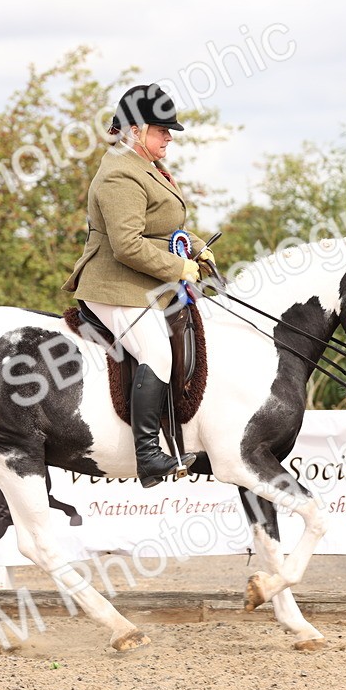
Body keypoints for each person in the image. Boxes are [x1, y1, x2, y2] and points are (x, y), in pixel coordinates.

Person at [62, 83, 214, 488]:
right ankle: (147, 454)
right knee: (157, 352)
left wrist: (197, 249)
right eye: (161, 129)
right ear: (134, 130)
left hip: (143, 283)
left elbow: (166, 228)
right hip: (113, 285)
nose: (169, 136)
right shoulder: (119, 174)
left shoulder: (150, 167)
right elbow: (128, 245)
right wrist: (179, 269)